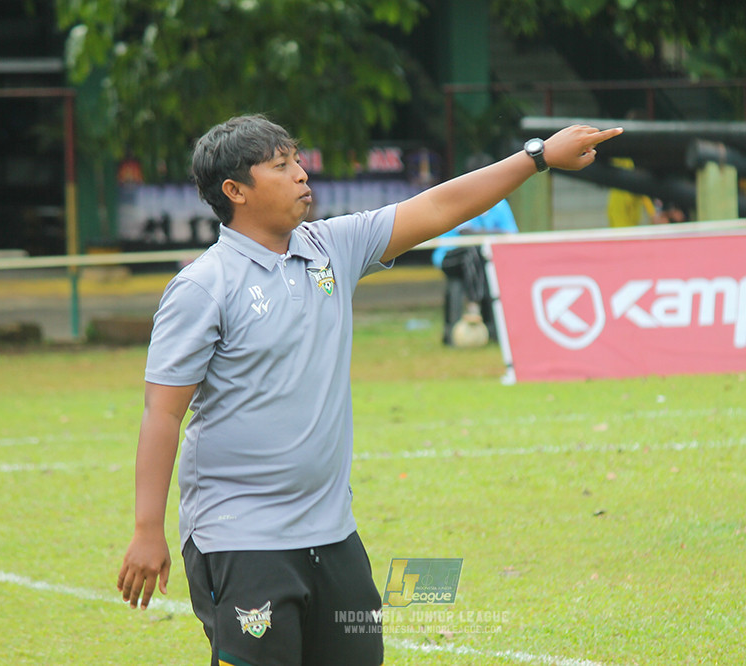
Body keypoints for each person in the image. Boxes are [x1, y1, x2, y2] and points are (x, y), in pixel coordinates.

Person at [115, 114, 622, 666]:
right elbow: (161, 414)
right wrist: (147, 530)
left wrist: (538, 157)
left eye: (298, 160)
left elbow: (440, 207)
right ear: (235, 191)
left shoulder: (332, 247)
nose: (302, 175)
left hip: (332, 533)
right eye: (281, 166)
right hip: (240, 538)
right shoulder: (202, 287)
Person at [431, 196, 518, 345]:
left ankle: (491, 327)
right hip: (449, 256)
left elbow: (511, 235)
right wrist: (495, 233)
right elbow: (466, 233)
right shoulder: (464, 200)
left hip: (481, 259)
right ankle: (473, 304)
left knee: (481, 257)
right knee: (472, 252)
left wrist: (483, 233)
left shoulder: (500, 204)